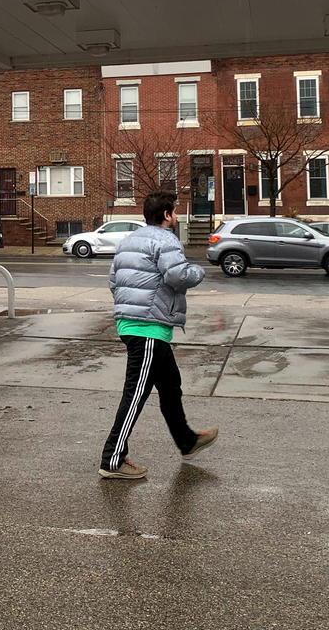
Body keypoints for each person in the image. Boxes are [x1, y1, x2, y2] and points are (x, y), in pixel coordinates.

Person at [99, 190, 218, 480]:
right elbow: (178, 276)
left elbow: (114, 281)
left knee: (170, 385)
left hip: (133, 324)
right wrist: (198, 271)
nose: (176, 217)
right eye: (174, 212)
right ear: (166, 215)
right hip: (148, 328)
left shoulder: (129, 240)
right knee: (136, 393)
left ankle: (187, 441)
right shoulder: (166, 239)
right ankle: (112, 459)